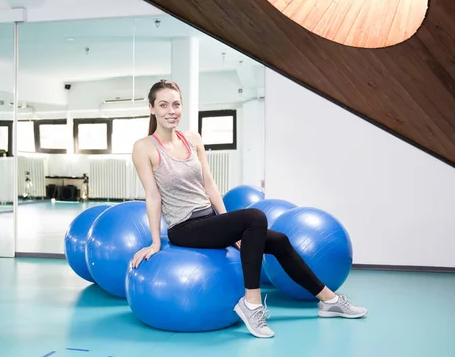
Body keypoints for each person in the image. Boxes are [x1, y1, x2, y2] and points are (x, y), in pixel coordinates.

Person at [131, 80, 367, 338]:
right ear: (152, 108)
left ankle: (329, 301)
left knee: (280, 241)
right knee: (255, 217)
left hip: (208, 221)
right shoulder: (144, 148)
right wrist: (155, 242)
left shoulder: (192, 139)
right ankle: (252, 303)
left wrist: (229, 228)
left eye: (176, 104)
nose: (171, 110)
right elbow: (153, 196)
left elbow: (209, 186)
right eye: (163, 105)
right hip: (184, 228)